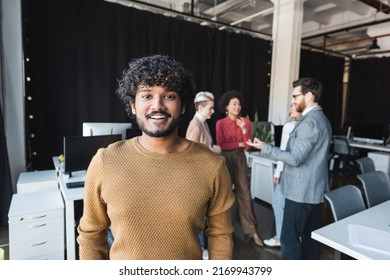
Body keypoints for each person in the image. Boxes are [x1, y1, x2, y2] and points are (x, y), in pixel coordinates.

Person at [77, 54, 235, 260]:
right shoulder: (105, 161)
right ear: (133, 105)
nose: (158, 105)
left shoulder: (212, 165)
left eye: (169, 96)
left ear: (184, 105)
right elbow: (91, 235)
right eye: (146, 95)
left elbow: (220, 235)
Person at [247, 77, 332, 259]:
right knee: (310, 240)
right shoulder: (321, 119)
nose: (292, 100)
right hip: (314, 191)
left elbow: (294, 158)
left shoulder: (309, 123)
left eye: (295, 96)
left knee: (289, 239)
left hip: (300, 193)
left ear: (308, 96)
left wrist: (265, 147)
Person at [216, 90, 263, 247]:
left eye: (239, 104)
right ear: (227, 107)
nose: (237, 106)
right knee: (226, 196)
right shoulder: (220, 123)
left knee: (244, 194)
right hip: (226, 159)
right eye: (234, 104)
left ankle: (252, 230)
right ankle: (224, 231)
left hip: (240, 159)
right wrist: (240, 144)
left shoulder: (246, 122)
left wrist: (244, 130)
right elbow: (222, 145)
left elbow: (248, 146)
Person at [185, 91, 221, 259]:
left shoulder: (203, 123)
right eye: (210, 108)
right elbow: (189, 155)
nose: (213, 111)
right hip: (196, 180)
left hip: (204, 178)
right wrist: (215, 150)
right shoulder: (195, 126)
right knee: (199, 215)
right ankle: (198, 248)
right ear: (200, 107)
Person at [263, 106, 302, 248]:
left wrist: (278, 171)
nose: (290, 108)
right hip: (292, 172)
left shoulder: (297, 127)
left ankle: (286, 237)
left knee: (285, 205)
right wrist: (278, 171)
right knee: (283, 204)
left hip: (293, 173)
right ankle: (286, 237)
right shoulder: (294, 126)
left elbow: (285, 152)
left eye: (294, 106)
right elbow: (284, 151)